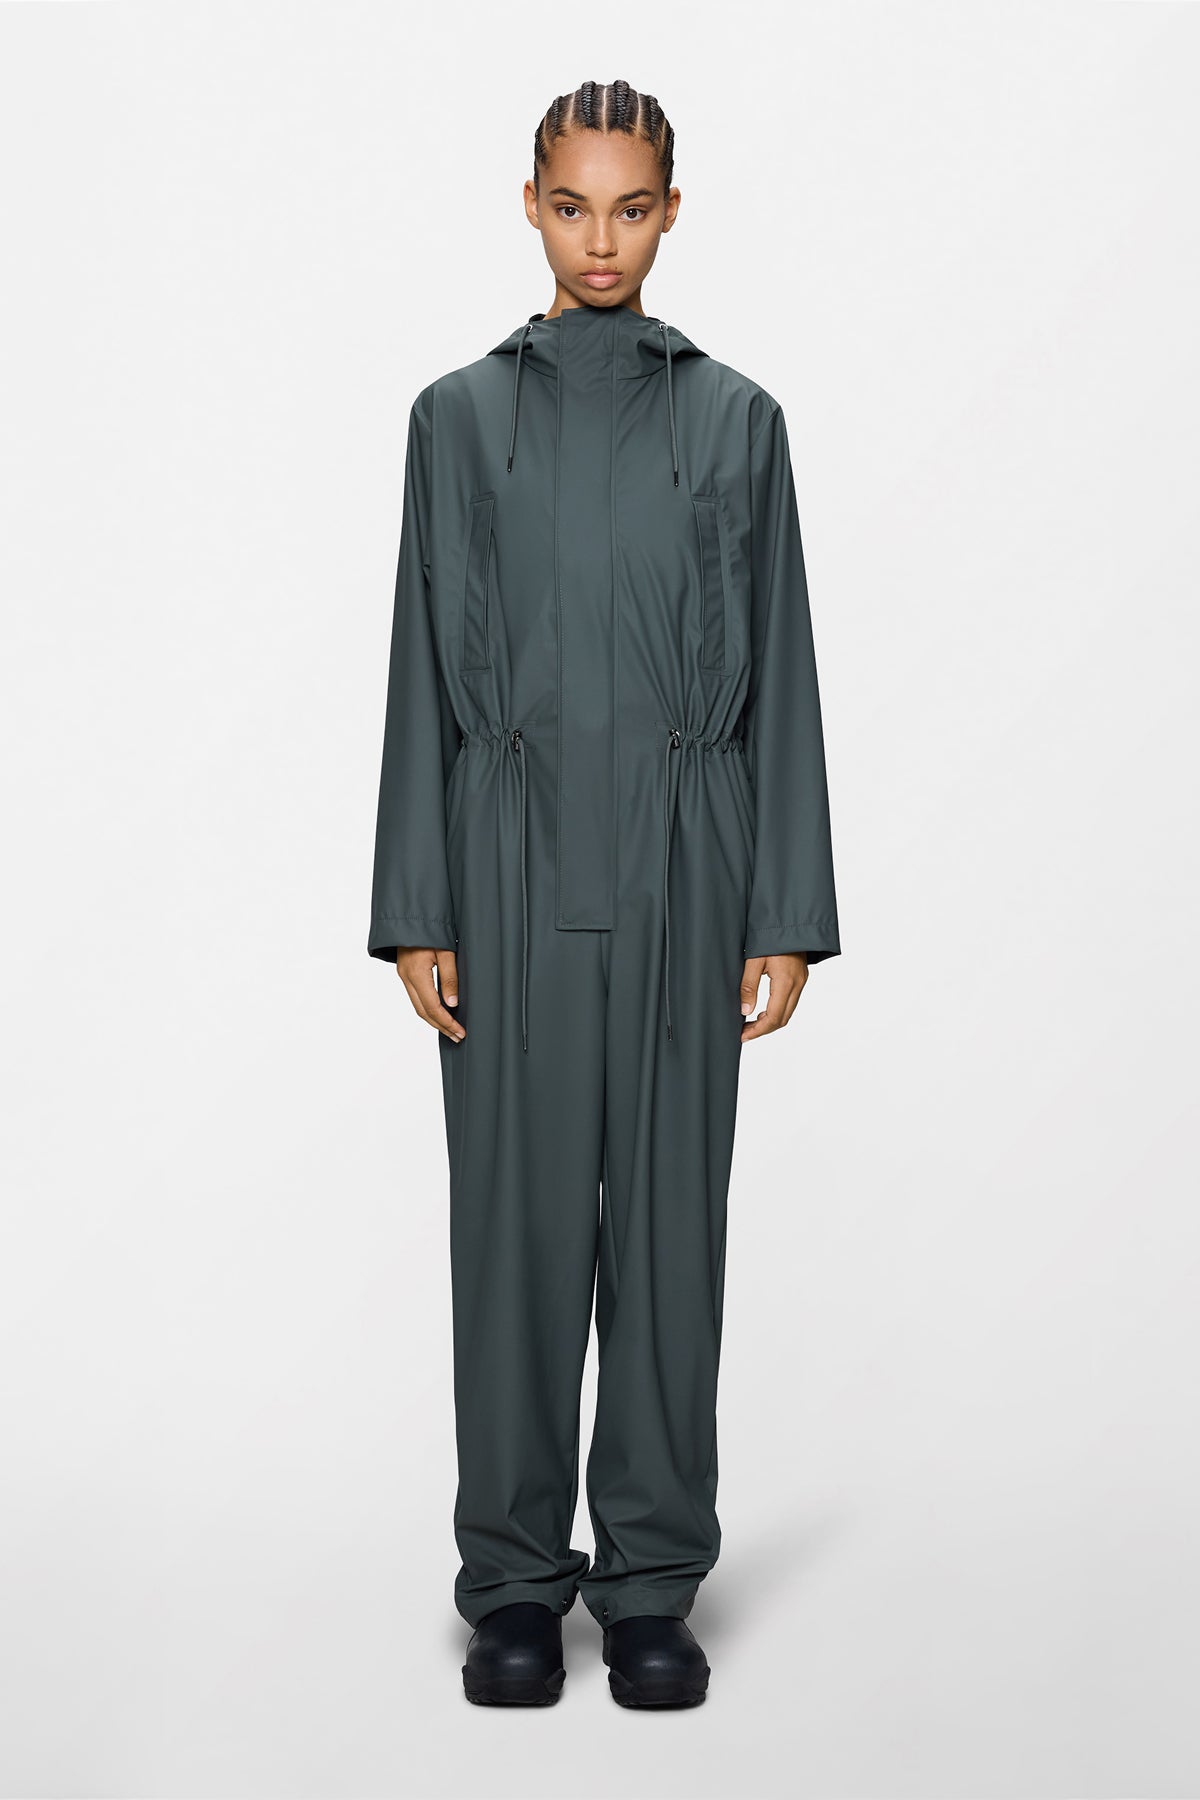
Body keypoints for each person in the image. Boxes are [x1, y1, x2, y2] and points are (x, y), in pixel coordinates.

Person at [368, 77, 841, 1710]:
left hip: (685, 859)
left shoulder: (737, 423)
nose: (600, 239)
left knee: (667, 1239)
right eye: (572, 205)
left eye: (631, 208)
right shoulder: (454, 420)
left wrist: (782, 909)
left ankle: (649, 1582)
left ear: (671, 213)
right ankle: (512, 1582)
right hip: (501, 857)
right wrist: (417, 902)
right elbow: (417, 668)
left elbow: (781, 665)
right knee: (511, 1238)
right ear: (529, 205)